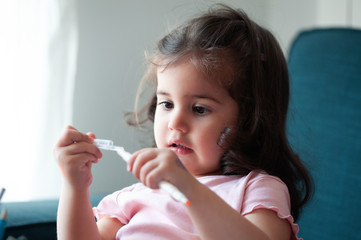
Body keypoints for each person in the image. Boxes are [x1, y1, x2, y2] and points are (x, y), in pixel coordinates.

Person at [54, 4, 312, 240]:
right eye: (166, 104)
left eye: (199, 109)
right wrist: (75, 186)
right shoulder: (136, 197)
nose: (175, 122)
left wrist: (188, 189)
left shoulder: (256, 190)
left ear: (249, 120)